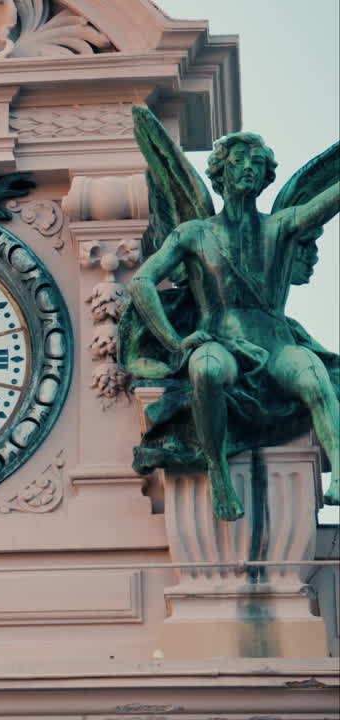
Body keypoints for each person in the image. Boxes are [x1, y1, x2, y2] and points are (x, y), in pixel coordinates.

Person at [126, 131, 340, 520]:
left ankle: (339, 472)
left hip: (276, 347)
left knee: (313, 374)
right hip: (219, 342)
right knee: (204, 369)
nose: (248, 169)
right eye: (239, 161)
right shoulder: (194, 233)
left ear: (265, 176)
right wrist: (176, 342)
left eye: (257, 164)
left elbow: (324, 204)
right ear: (220, 173)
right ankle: (218, 471)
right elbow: (141, 281)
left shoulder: (281, 225)